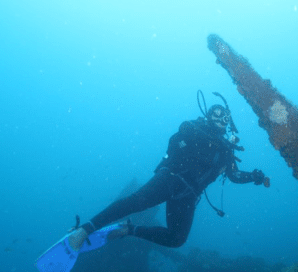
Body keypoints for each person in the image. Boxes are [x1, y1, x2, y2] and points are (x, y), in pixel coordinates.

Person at [68, 91, 269, 251]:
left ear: (229, 123)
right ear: (208, 115)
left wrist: (254, 176)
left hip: (188, 196)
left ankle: (129, 230)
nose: (221, 119)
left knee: (177, 239)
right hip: (171, 178)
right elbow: (177, 138)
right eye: (216, 113)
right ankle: (85, 230)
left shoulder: (226, 150)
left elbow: (234, 176)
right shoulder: (196, 128)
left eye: (225, 117)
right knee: (137, 201)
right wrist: (207, 138)